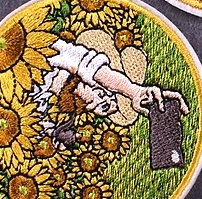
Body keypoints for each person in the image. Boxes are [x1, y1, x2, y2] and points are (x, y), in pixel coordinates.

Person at [33, 30, 188, 149]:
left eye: (103, 104)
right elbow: (88, 66)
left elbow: (87, 65)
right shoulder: (48, 55)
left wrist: (134, 91)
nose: (102, 98)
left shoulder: (39, 104)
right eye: (104, 96)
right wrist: (132, 90)